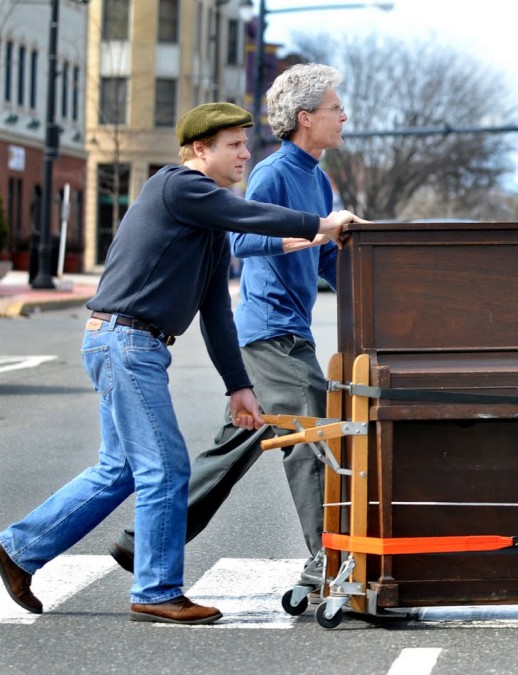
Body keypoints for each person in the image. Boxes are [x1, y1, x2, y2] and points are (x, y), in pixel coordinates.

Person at [0, 102, 363, 625]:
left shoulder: (206, 215)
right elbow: (249, 216)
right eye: (234, 145)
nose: (245, 153)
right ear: (200, 150)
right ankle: (156, 590)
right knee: (164, 468)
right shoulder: (178, 187)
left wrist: (239, 385)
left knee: (119, 469)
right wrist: (323, 224)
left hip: (129, 343)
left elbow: (216, 309)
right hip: (126, 342)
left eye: (245, 142)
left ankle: (19, 550)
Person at [109, 65, 351, 592]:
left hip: (287, 331)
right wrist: (310, 236)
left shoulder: (319, 178)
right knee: (314, 430)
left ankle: (141, 543)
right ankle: (327, 557)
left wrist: (371, 269)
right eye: (336, 109)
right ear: (306, 119)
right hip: (270, 332)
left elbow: (327, 262)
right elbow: (241, 241)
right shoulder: (272, 173)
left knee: (233, 446)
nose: (344, 116)